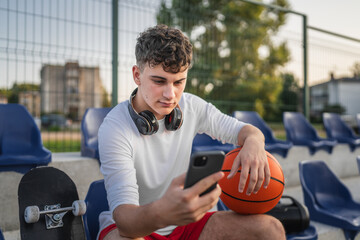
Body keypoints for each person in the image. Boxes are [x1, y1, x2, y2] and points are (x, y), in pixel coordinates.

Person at [98, 24, 285, 240]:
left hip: (185, 225)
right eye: (159, 81)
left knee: (271, 230)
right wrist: (163, 212)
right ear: (137, 75)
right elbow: (126, 222)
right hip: (138, 228)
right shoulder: (114, 128)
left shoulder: (192, 106)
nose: (171, 94)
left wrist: (254, 141)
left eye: (179, 82)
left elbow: (247, 132)